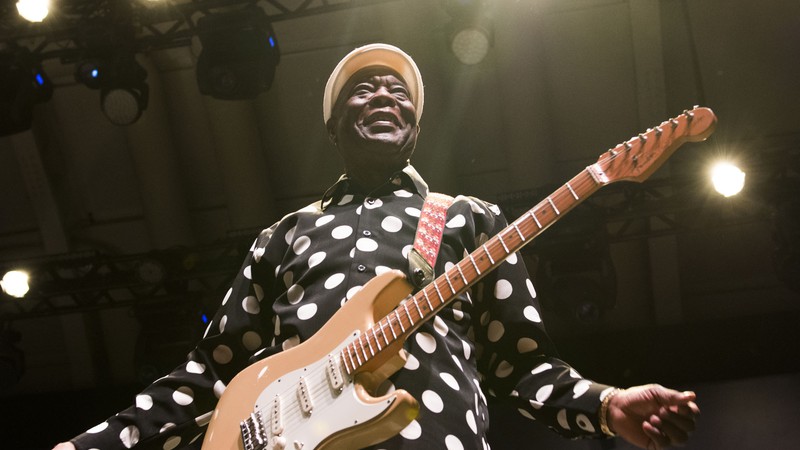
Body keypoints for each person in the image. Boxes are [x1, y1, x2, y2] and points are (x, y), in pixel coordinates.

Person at [54, 43, 698, 450]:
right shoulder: (284, 236)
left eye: (398, 90)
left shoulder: (466, 220)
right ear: (335, 125)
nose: (385, 94)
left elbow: (522, 365)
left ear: (415, 126)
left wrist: (607, 404)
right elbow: (207, 376)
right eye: (365, 88)